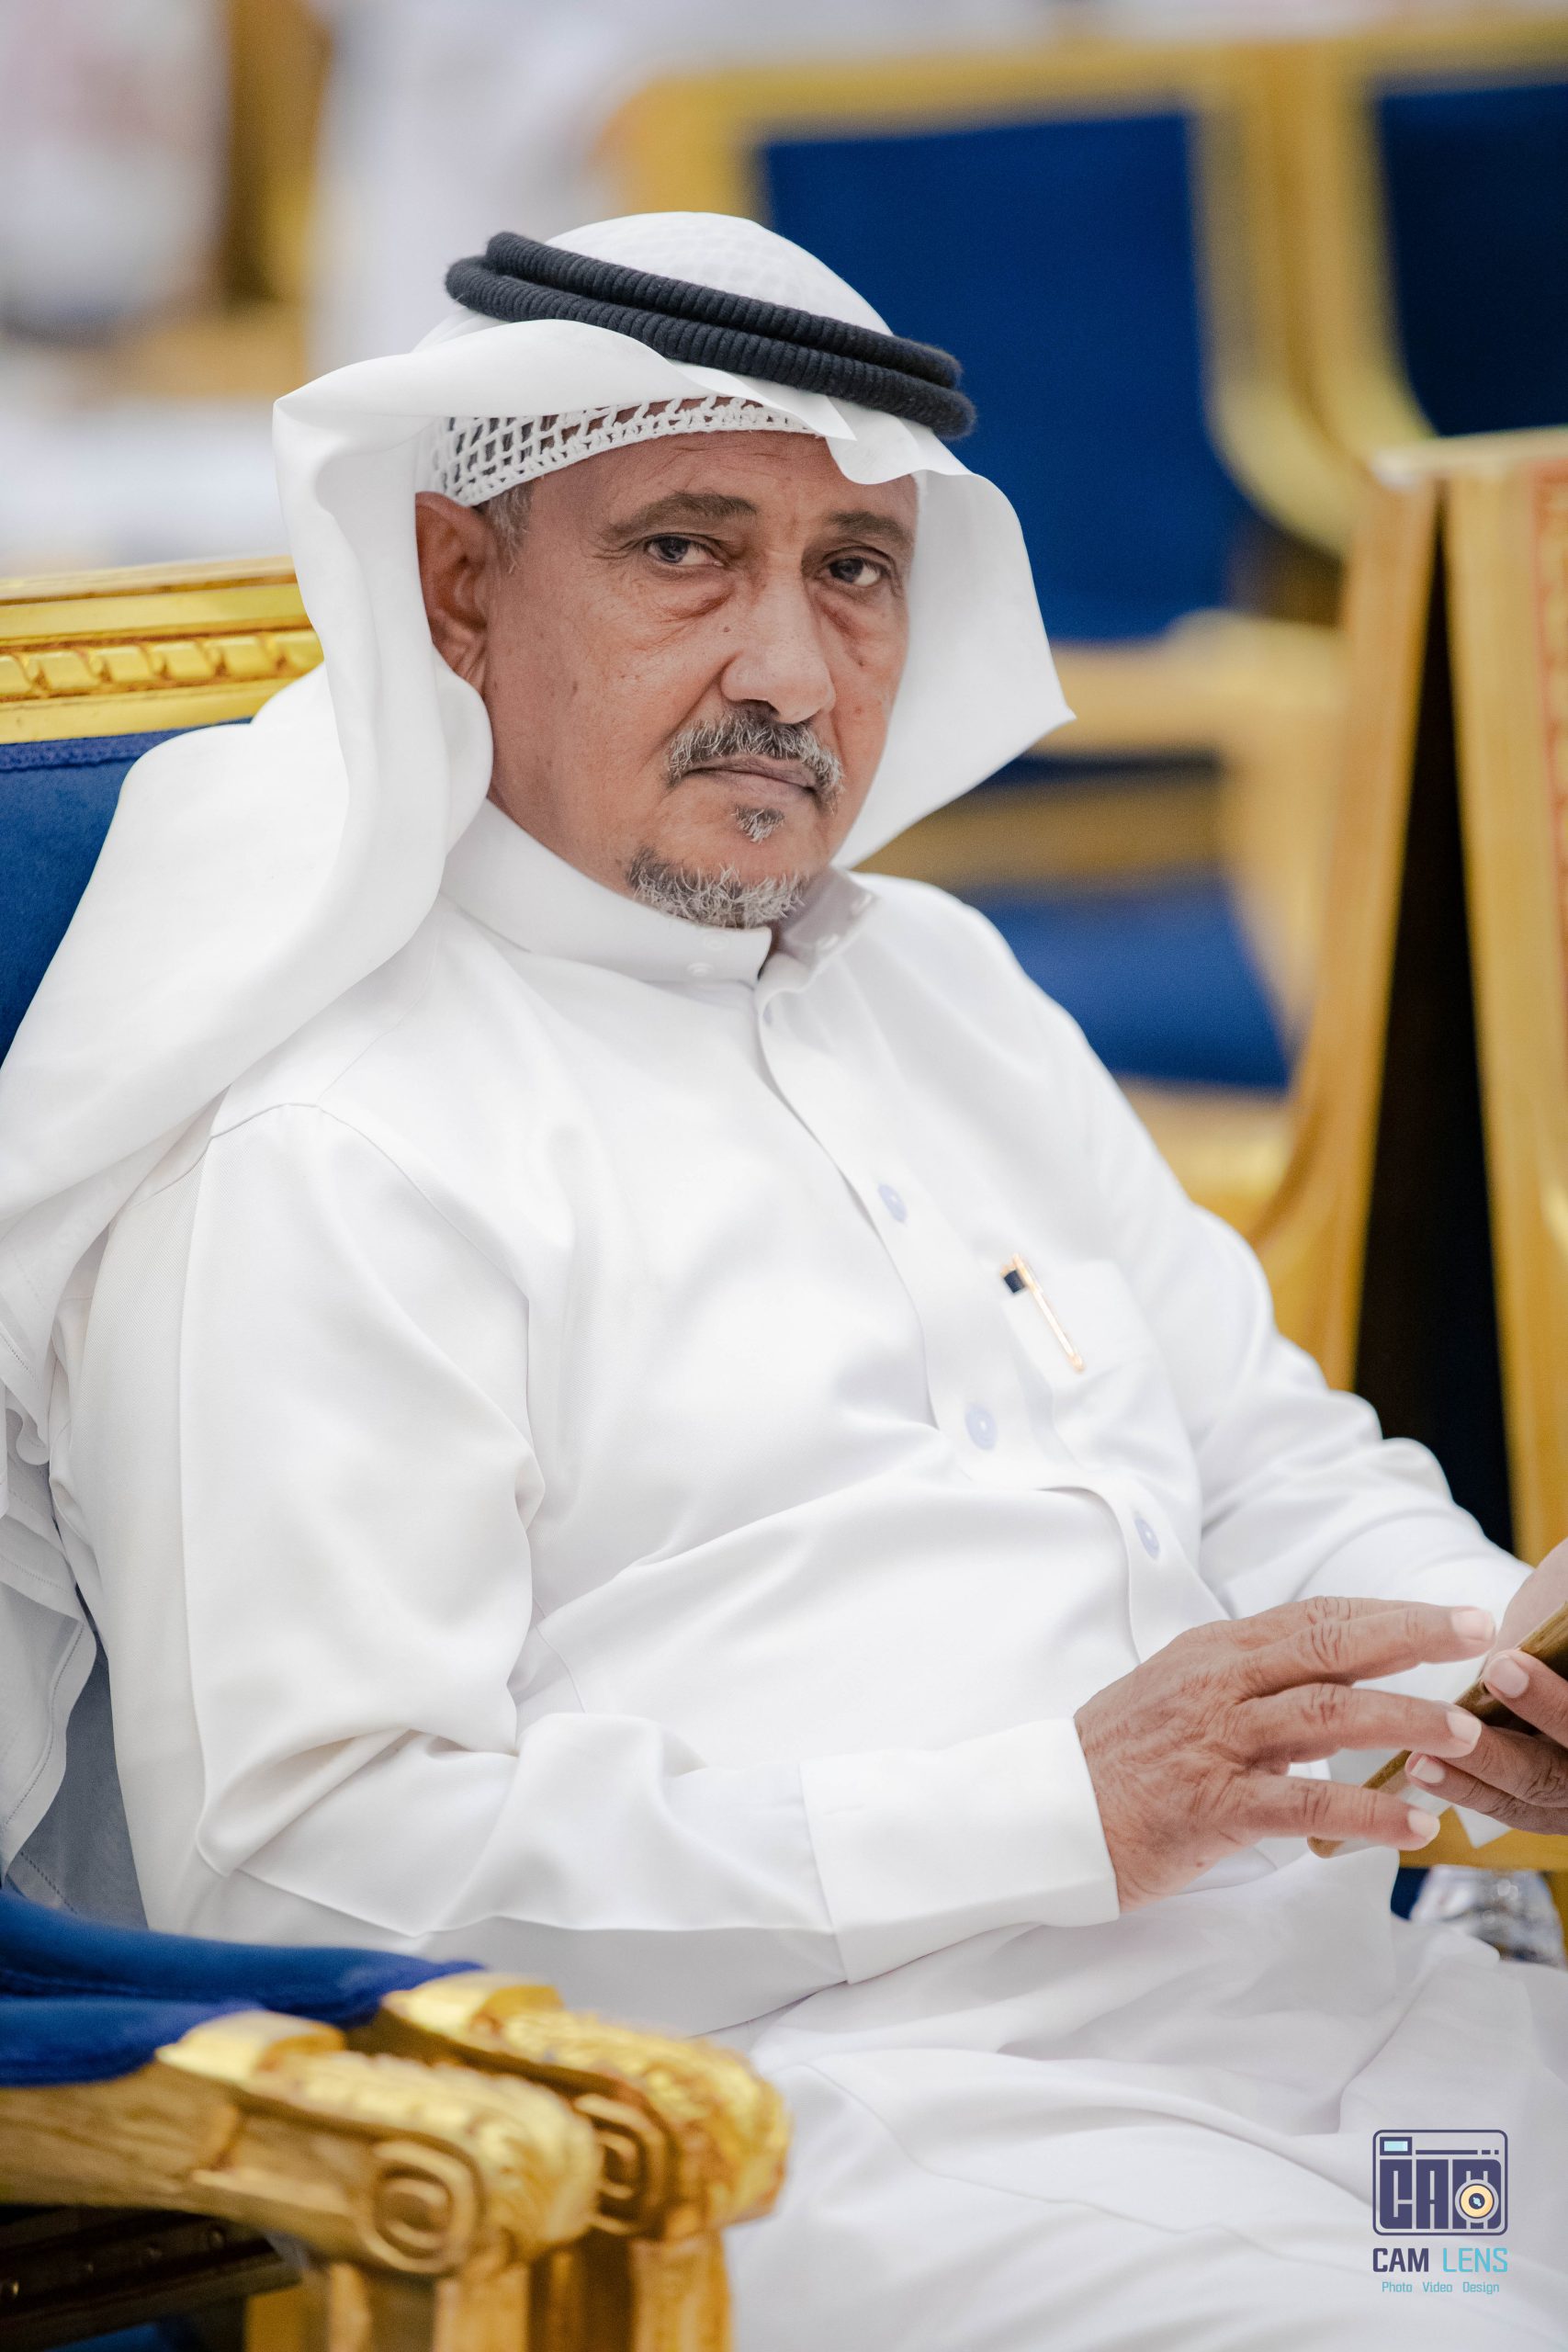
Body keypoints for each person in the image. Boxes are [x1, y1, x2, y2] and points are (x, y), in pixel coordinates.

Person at [3, 212, 1568, 2346]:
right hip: (853, 2127)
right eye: (684, 552)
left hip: (1355, 2051)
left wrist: (1487, 1663)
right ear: (458, 586)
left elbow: (1264, 1452)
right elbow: (305, 1862)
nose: (790, 670)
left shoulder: (937, 979)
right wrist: (1054, 1806)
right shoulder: (327, 1141)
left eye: (851, 569)